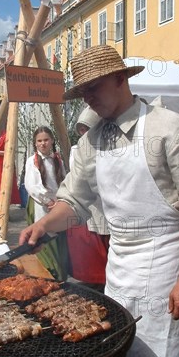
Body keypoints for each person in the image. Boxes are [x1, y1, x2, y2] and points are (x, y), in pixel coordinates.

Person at [20, 45, 179, 357]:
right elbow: (74, 201)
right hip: (121, 261)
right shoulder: (92, 142)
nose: (89, 97)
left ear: (121, 79)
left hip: (164, 259)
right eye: (84, 91)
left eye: (94, 88)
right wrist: (44, 223)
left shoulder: (167, 128)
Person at [67, 105, 109, 291]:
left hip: (107, 207)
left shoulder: (107, 147)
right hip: (90, 206)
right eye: (81, 129)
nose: (84, 132)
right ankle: (96, 283)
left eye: (87, 128)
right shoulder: (77, 150)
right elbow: (78, 183)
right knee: (94, 248)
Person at [24, 126, 69, 280]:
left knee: (59, 238)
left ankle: (60, 275)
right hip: (41, 205)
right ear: (35, 143)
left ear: (52, 141)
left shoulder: (58, 160)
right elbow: (32, 186)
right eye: (39, 141)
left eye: (46, 140)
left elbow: (64, 181)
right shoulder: (33, 161)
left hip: (58, 204)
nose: (43, 143)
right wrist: (48, 201)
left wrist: (62, 200)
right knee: (45, 238)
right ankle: (49, 275)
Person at [0, 123, 21, 209]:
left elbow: (9, 151)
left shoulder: (6, 135)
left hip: (4, 164)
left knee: (4, 184)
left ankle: (7, 203)